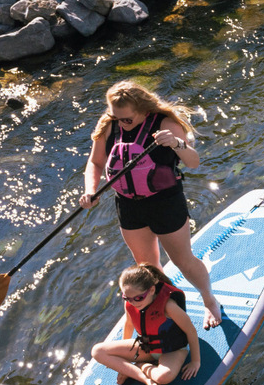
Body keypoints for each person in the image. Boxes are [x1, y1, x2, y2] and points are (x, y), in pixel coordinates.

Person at [81, 81, 222, 328]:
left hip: (165, 202)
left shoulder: (165, 124)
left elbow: (193, 162)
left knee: (182, 260)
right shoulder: (109, 124)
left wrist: (176, 144)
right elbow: (95, 162)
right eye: (116, 117)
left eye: (126, 119)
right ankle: (165, 308)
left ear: (143, 109)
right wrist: (90, 190)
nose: (120, 123)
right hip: (128, 205)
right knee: (147, 266)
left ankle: (209, 300)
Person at [92, 262, 201, 385]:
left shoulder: (169, 306)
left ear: (152, 290)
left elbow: (191, 330)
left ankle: (140, 366)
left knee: (164, 377)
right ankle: (144, 378)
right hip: (147, 347)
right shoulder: (131, 304)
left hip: (173, 349)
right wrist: (124, 354)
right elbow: (129, 325)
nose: (133, 303)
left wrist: (195, 361)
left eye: (138, 298)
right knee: (97, 351)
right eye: (127, 298)